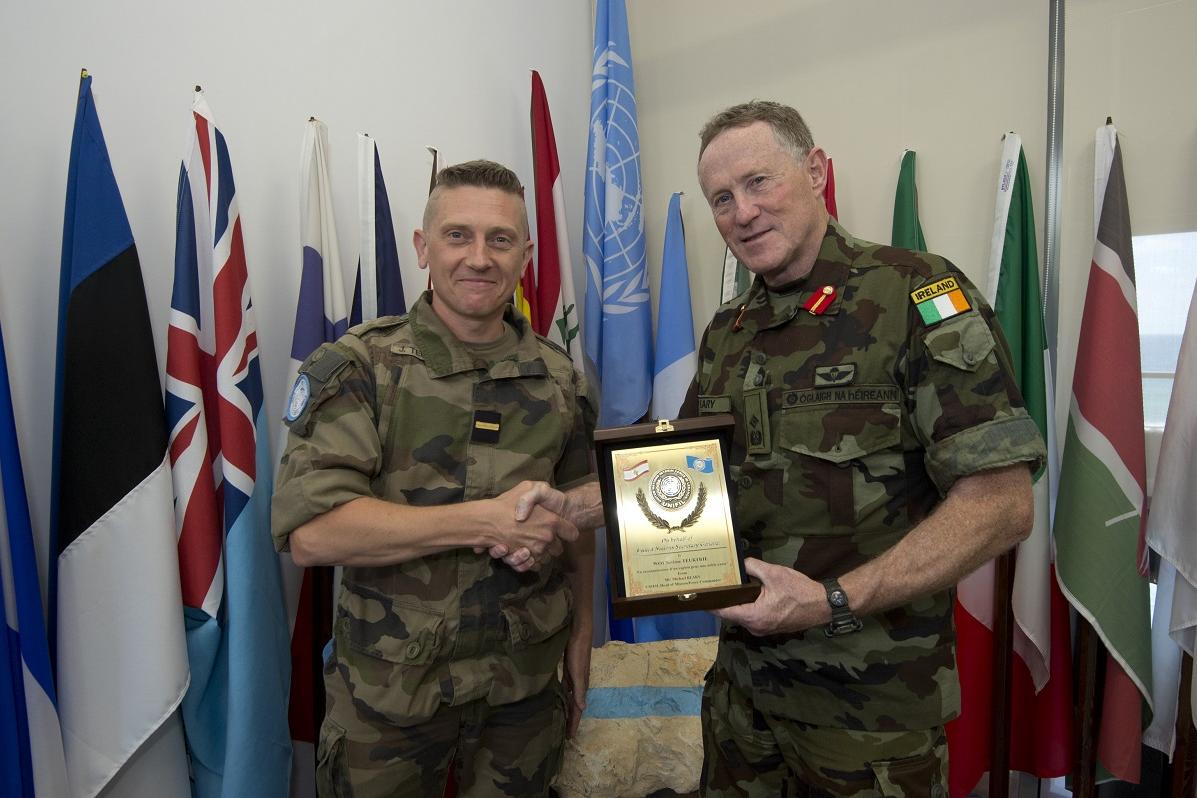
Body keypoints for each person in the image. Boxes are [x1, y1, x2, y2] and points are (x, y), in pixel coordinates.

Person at [686, 101, 1047, 797]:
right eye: (721, 199)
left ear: (815, 171)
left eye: (759, 182)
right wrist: (561, 507)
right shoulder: (728, 331)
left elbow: (1001, 505)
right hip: (742, 703)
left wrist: (830, 600)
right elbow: (673, 474)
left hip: (869, 717)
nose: (743, 212)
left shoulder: (918, 295)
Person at [272, 159, 602, 797]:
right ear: (423, 248)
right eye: (458, 235)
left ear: (526, 255)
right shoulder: (359, 367)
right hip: (391, 701)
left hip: (522, 694)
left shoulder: (559, 377)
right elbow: (313, 533)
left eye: (500, 239)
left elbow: (574, 518)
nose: (479, 257)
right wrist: (483, 522)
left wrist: (583, 630)